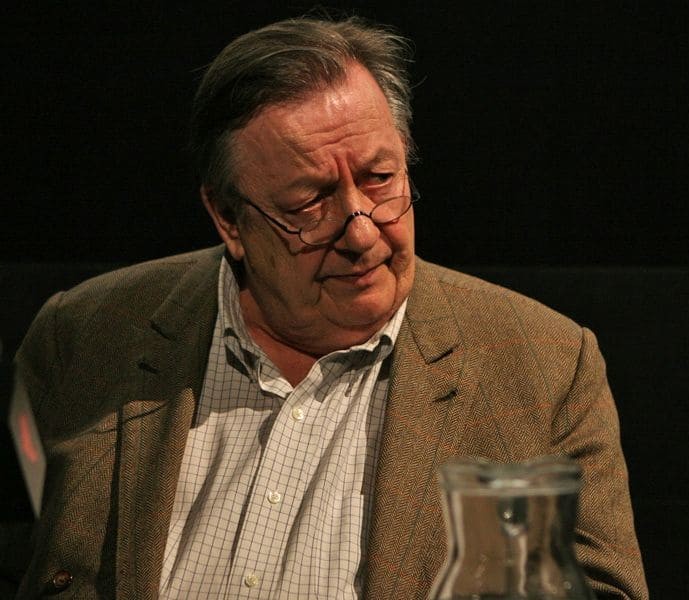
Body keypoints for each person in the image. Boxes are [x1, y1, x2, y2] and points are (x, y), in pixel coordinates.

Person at [10, 16, 648, 600]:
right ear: (228, 218)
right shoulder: (84, 336)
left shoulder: (541, 369)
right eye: (309, 202)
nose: (363, 232)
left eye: (380, 178)